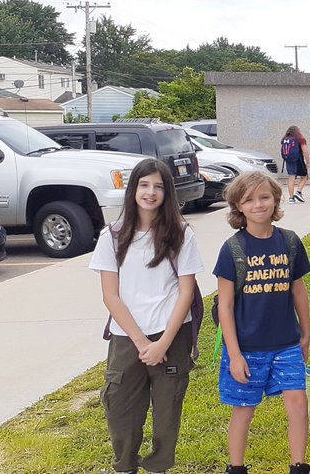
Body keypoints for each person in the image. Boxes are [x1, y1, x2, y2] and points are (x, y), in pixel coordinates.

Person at [91, 158, 204, 474]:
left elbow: (186, 292)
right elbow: (110, 295)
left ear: (168, 192)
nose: (150, 192)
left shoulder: (181, 234)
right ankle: (125, 466)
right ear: (133, 189)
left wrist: (162, 343)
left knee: (167, 413)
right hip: (127, 338)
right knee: (120, 409)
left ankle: (158, 466)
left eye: (158, 186)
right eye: (144, 185)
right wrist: (143, 343)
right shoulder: (112, 236)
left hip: (172, 337)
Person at [214, 171, 310, 474]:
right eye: (249, 200)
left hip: (286, 344)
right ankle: (236, 467)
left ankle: (298, 466)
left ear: (275, 200)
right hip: (246, 347)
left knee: (298, 404)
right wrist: (234, 354)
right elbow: (225, 306)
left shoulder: (290, 242)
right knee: (244, 410)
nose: (258, 204)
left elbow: (298, 291)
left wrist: (306, 334)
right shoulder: (232, 249)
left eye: (264, 197)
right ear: (238, 206)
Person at [281, 126, 309, 203]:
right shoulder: (300, 139)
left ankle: (291, 198)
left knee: (291, 178)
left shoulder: (284, 139)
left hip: (289, 160)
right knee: (304, 177)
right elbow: (305, 151)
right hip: (298, 160)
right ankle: (298, 192)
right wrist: (308, 162)